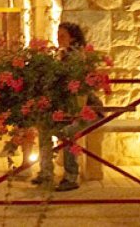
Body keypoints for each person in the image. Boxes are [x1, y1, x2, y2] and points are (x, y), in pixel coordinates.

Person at [33, 22, 100, 192]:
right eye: (58, 35)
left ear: (73, 38)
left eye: (62, 36)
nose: (58, 39)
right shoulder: (63, 55)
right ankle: (46, 172)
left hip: (89, 111)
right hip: (70, 109)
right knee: (44, 126)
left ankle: (71, 176)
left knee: (68, 131)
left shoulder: (78, 58)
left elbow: (79, 89)